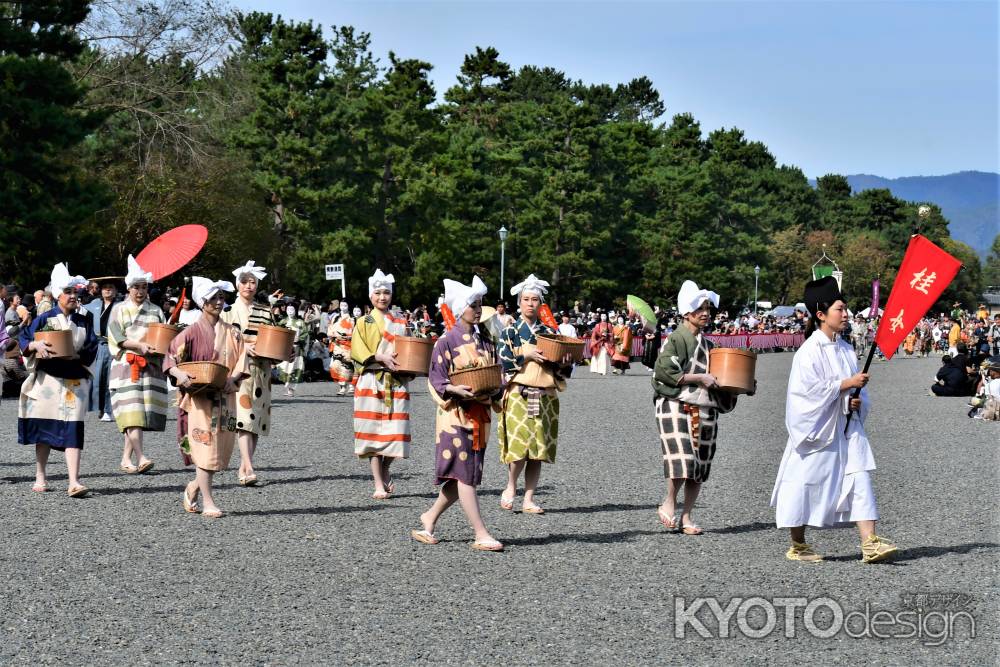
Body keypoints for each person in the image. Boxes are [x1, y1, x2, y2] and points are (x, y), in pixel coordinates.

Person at [771, 276, 898, 563]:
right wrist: (844, 385)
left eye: (845, 309)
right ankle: (798, 543)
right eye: (840, 309)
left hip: (845, 426)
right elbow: (804, 395)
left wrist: (853, 399)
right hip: (816, 429)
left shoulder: (847, 348)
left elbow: (854, 391)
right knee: (803, 482)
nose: (846, 314)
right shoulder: (807, 352)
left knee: (859, 475)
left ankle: (870, 543)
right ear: (820, 314)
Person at [412, 275, 504, 551]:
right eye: (473, 304)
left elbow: (496, 373)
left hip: (479, 413)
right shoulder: (445, 342)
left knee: (463, 474)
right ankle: (480, 532)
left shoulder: (486, 340)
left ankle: (429, 519)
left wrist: (499, 389)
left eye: (480, 304)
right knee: (465, 474)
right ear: (459, 308)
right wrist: (454, 390)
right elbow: (436, 379)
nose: (478, 309)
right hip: (455, 417)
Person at [652, 280, 740, 535]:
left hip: (704, 406)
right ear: (686, 312)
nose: (705, 313)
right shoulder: (676, 339)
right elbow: (664, 370)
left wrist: (739, 386)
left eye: (707, 309)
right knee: (682, 458)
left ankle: (687, 516)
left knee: (700, 463)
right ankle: (669, 501)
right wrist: (698, 378)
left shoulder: (710, 345)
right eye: (700, 308)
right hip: (675, 403)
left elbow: (720, 379)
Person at [164, 277, 248, 519]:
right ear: (203, 302)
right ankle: (209, 501)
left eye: (221, 297)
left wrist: (234, 378)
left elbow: (242, 360)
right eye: (213, 298)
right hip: (200, 400)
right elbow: (171, 357)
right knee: (204, 448)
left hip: (226, 397)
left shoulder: (232, 332)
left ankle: (193, 487)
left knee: (221, 449)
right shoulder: (190, 332)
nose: (219, 302)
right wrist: (179, 373)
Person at [17, 263, 98, 497]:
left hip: (74, 379)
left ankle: (74, 480)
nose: (73, 296)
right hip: (48, 381)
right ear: (56, 295)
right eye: (68, 292)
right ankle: (40, 475)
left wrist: (77, 355)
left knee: (73, 427)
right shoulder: (43, 318)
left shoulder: (84, 320)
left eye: (75, 292)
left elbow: (92, 347)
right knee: (43, 427)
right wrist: (34, 345)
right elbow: (24, 339)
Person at [497, 274, 573, 514]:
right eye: (526, 299)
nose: (530, 303)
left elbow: (561, 368)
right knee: (520, 446)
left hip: (544, 394)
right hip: (519, 392)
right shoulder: (509, 331)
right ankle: (511, 486)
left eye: (534, 300)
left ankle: (529, 497)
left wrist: (565, 361)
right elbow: (503, 362)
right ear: (519, 303)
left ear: (541, 304)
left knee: (538, 449)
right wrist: (525, 356)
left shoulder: (550, 332)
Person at [351, 269, 412, 499]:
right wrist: (380, 357)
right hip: (372, 380)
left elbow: (407, 349)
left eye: (386, 292)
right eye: (378, 292)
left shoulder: (400, 321)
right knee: (373, 433)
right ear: (370, 296)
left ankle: (386, 468)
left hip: (396, 381)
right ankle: (378, 482)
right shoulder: (363, 321)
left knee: (396, 432)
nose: (382, 297)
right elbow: (357, 351)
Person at [107, 256, 168, 474]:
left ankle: (125, 458)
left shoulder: (156, 310)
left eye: (143, 287)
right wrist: (139, 346)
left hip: (150, 365)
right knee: (132, 411)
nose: (140, 291)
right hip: (126, 364)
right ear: (129, 288)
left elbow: (163, 334)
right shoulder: (118, 309)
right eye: (136, 287)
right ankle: (141, 457)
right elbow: (116, 337)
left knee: (137, 415)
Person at [221, 260, 275, 486]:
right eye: (245, 282)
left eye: (253, 282)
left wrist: (283, 353)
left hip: (261, 371)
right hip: (238, 371)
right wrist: (243, 346)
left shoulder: (265, 311)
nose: (249, 286)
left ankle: (245, 465)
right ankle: (249, 466)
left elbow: (274, 339)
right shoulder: (226, 312)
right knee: (243, 419)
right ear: (237, 285)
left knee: (256, 420)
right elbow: (221, 342)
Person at [83, 276, 122, 422]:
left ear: (116, 290)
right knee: (97, 378)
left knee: (111, 379)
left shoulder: (121, 305)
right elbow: (82, 314)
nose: (108, 290)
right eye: (105, 287)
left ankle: (109, 409)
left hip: (115, 345)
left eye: (111, 287)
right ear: (101, 290)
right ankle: (99, 408)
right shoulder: (95, 303)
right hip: (97, 346)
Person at [277, 304, 308, 396]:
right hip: (285, 348)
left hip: (297, 348)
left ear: (296, 310)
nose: (290, 311)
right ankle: (286, 385)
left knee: (295, 368)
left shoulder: (300, 322)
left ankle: (291, 389)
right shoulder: (282, 321)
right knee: (284, 366)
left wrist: (300, 339)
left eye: (292, 309)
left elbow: (305, 334)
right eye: (288, 309)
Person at [327, 301, 356, 395]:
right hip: (337, 344)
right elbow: (330, 329)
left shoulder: (353, 319)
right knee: (336, 365)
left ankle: (349, 385)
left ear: (349, 306)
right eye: (341, 305)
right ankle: (342, 386)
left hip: (349, 345)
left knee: (347, 366)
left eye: (345, 305)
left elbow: (356, 332)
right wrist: (333, 336)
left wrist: (348, 337)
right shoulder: (335, 318)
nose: (343, 307)